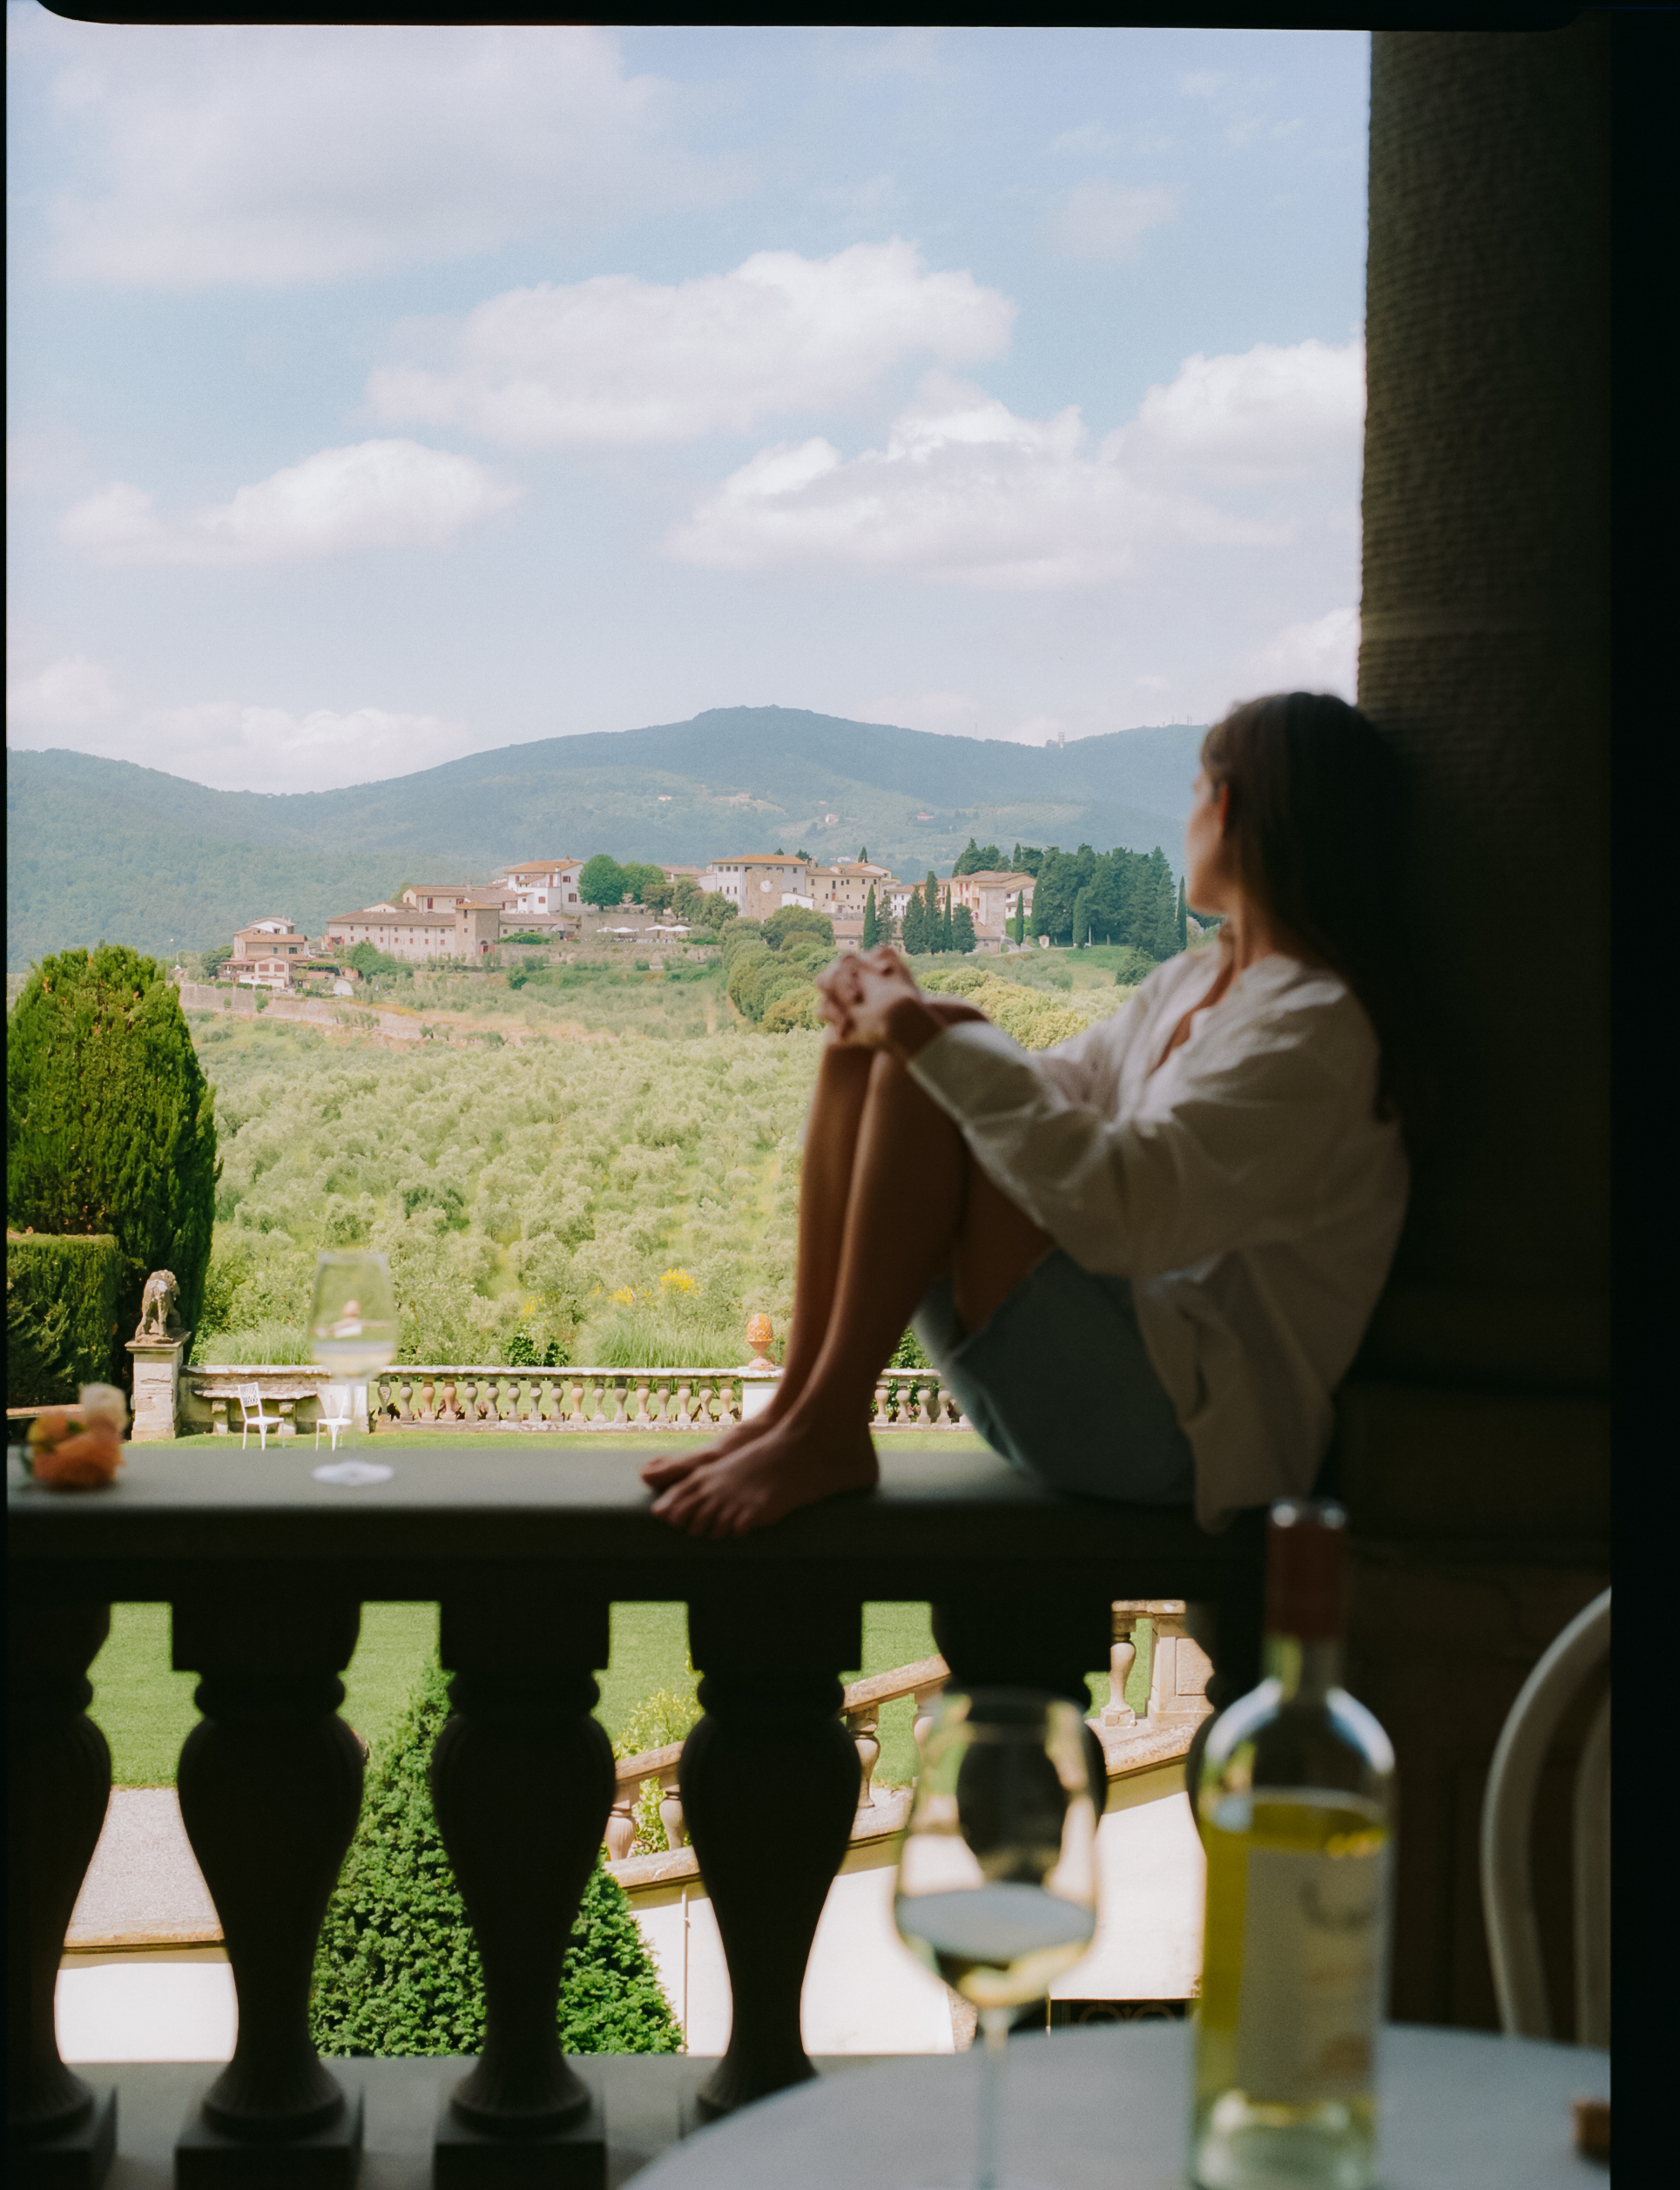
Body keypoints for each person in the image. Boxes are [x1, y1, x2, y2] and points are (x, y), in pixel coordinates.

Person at [643, 692, 1417, 1539]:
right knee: (880, 1050)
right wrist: (908, 1016)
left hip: (1187, 1435)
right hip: (1094, 1366)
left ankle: (825, 1428)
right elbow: (1058, 1088)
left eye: (1197, 789)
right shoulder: (1196, 981)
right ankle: (797, 1408)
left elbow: (1126, 1210)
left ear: (1227, 804)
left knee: (922, 1063)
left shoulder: (1313, 1028)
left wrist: (923, 1031)